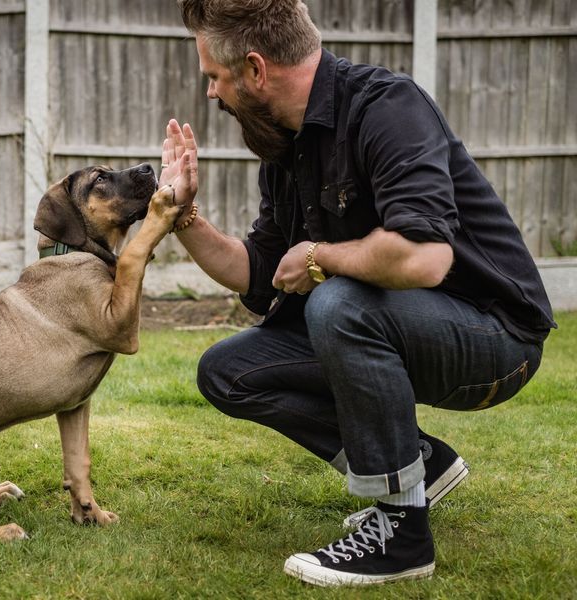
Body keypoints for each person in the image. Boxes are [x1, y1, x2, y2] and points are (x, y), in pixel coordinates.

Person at [157, 0, 556, 588]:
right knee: (229, 370)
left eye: (214, 77)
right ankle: (420, 465)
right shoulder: (286, 145)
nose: (212, 93)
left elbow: (425, 257)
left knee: (337, 302)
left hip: (496, 337)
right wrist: (181, 213)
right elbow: (262, 272)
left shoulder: (387, 106)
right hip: (400, 325)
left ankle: (400, 536)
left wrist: (321, 258)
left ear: (256, 69)